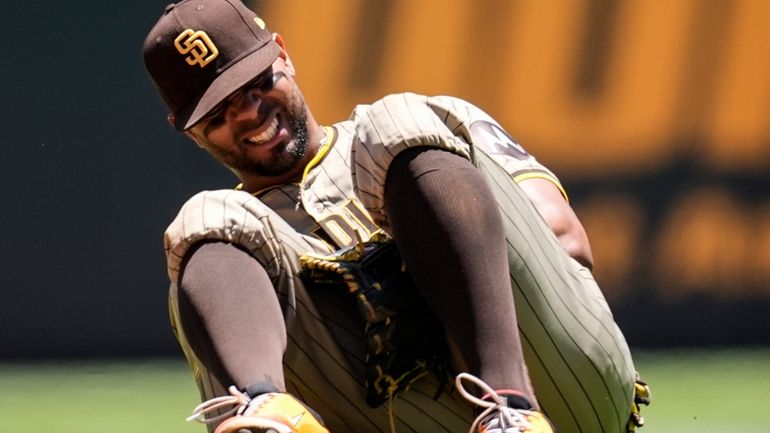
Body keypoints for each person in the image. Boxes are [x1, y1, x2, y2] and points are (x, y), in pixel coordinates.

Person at [143, 1, 648, 432]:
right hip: (401, 416)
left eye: (255, 84)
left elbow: (566, 243)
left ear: (283, 53)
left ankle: (510, 409)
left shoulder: (432, 124)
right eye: (219, 113)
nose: (248, 113)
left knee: (395, 118)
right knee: (205, 221)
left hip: (557, 378)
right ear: (188, 131)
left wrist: (421, 278)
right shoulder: (233, 248)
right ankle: (266, 413)